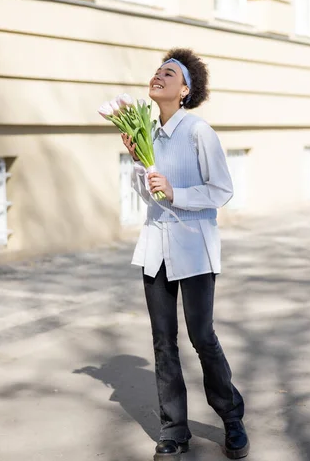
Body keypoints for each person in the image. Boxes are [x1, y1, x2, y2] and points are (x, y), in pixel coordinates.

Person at [121, 48, 248, 461]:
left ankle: (231, 417)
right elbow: (149, 196)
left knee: (202, 337)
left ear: (185, 90)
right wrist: (140, 162)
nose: (159, 75)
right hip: (155, 248)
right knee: (163, 343)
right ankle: (174, 430)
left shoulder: (198, 132)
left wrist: (178, 191)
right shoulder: (147, 132)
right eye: (158, 70)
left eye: (169, 72)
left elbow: (222, 190)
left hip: (194, 248)